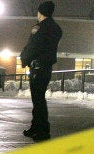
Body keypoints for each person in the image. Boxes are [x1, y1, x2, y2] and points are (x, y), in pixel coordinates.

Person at [20, 1, 62, 141]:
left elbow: (32, 46)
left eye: (38, 12)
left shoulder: (39, 28)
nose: (37, 14)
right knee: (39, 99)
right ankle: (37, 127)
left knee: (38, 100)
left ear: (41, 12)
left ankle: (42, 130)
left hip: (37, 68)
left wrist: (23, 58)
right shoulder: (56, 28)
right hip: (47, 67)